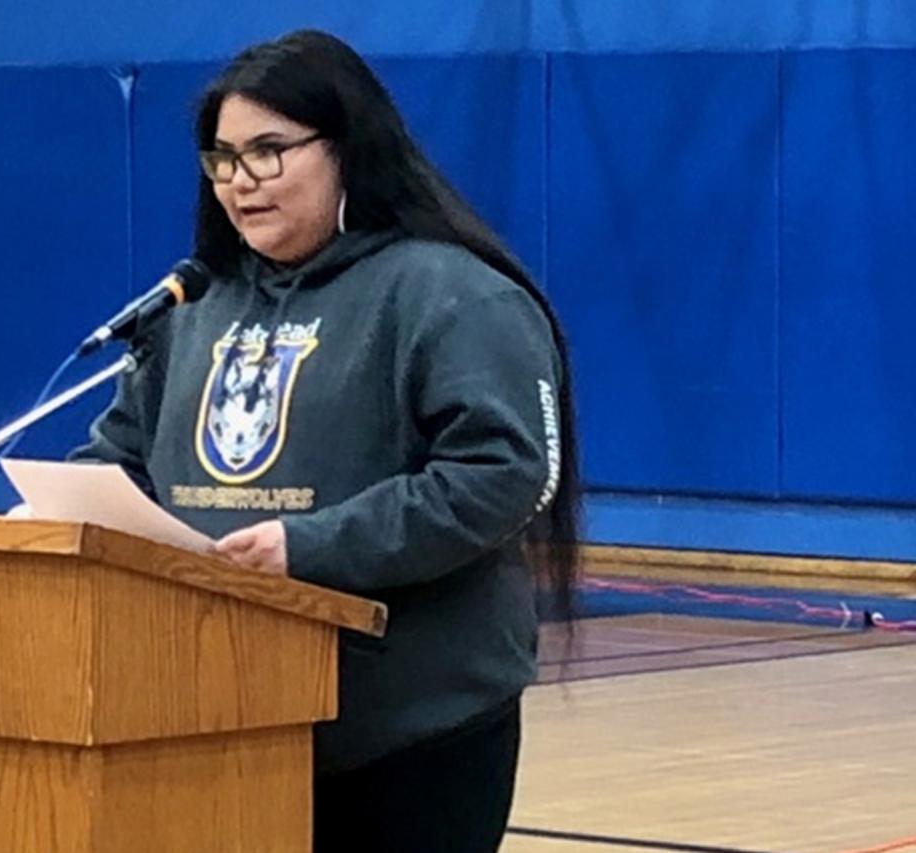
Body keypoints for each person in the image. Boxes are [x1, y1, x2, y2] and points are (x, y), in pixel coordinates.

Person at [69, 29, 581, 853]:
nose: (241, 181)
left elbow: (504, 473)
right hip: (218, 718)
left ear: (347, 147)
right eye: (223, 158)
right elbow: (115, 458)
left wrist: (308, 545)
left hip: (408, 728)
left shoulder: (450, 294)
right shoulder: (194, 305)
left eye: (270, 151)